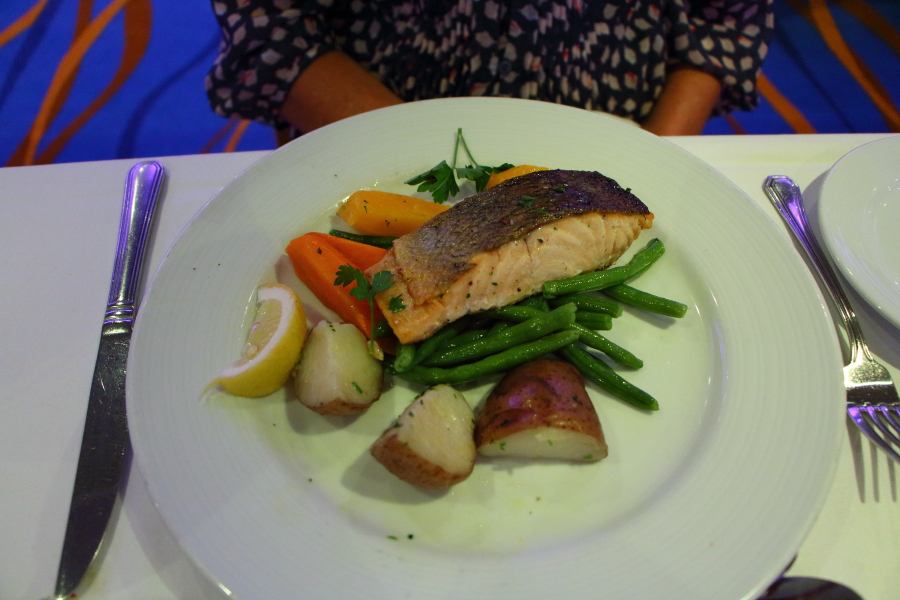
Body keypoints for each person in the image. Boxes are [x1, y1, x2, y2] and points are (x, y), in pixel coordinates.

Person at [205, 0, 774, 137]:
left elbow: (723, 16)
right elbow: (272, 25)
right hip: (376, 127)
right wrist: (418, 160)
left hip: (621, 125)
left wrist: (649, 162)